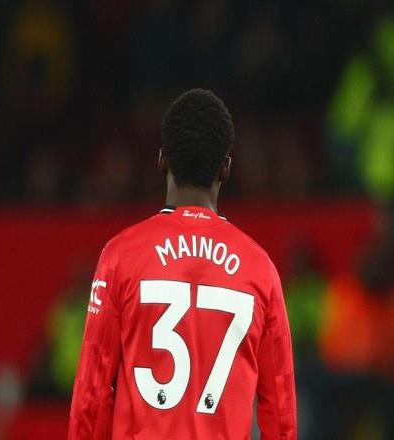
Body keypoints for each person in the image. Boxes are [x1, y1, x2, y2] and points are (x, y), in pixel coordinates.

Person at [68, 89, 296, 439]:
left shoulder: (121, 257)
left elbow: (92, 396)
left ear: (162, 160)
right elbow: (280, 412)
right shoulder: (260, 270)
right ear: (226, 168)